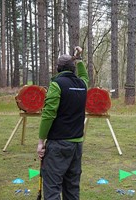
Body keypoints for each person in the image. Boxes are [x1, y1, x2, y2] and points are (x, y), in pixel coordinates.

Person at [37, 46, 89, 200]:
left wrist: (41, 141)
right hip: (77, 144)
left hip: (58, 144)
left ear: (58, 68)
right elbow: (85, 76)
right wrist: (79, 59)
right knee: (72, 186)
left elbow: (48, 114)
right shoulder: (82, 85)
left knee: (52, 186)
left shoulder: (56, 85)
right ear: (73, 69)